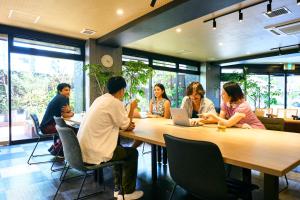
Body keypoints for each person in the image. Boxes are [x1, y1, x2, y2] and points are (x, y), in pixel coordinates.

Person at [77, 76, 143, 200]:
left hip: (82, 150)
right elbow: (127, 124)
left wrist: (125, 124)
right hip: (95, 151)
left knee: (118, 150)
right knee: (132, 153)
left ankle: (118, 189)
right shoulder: (115, 102)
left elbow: (120, 124)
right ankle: (127, 192)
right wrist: (132, 108)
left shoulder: (100, 99)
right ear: (122, 90)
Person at [40, 83, 74, 156]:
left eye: (69, 90)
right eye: (66, 90)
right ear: (60, 91)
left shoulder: (63, 97)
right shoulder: (61, 97)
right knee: (71, 131)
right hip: (47, 127)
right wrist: (72, 113)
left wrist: (69, 111)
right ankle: (58, 150)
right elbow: (65, 115)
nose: (68, 92)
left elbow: (67, 111)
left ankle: (56, 148)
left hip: (47, 125)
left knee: (69, 129)